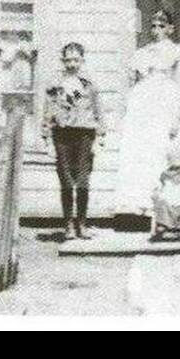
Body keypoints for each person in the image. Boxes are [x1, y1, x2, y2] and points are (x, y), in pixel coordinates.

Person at [113, 9, 180, 226]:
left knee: (169, 153)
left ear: (170, 29)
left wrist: (177, 118)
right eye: (153, 26)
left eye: (161, 26)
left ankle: (174, 212)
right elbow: (133, 82)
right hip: (144, 110)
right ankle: (144, 208)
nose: (156, 31)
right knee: (144, 154)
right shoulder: (142, 53)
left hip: (167, 106)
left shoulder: (178, 51)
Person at [43, 42, 104, 240]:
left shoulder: (88, 84)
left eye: (76, 60)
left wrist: (100, 138)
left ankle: (82, 224)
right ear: (63, 61)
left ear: (82, 60)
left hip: (85, 134)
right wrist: (47, 138)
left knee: (83, 179)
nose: (72, 64)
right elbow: (48, 110)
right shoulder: (55, 84)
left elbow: (98, 111)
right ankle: (68, 224)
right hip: (62, 134)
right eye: (68, 60)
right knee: (66, 180)